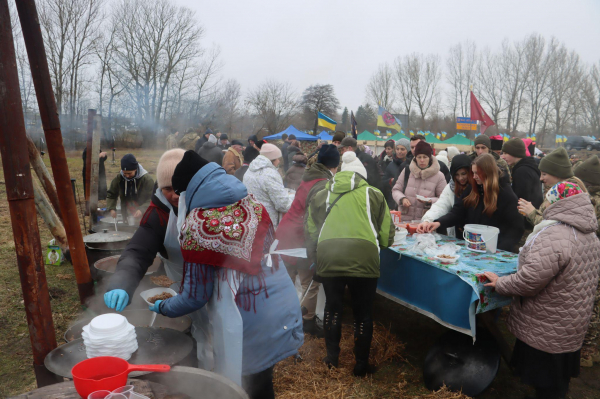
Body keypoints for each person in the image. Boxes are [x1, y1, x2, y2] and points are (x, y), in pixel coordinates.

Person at [151, 150, 303, 399]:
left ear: (188, 191)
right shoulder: (251, 203)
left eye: (178, 193)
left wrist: (161, 306)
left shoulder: (199, 225)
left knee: (246, 389)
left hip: (248, 319)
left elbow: (194, 297)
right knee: (263, 384)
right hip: (280, 305)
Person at [481, 182, 600, 399]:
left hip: (547, 323)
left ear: (557, 203)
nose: (543, 203)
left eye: (547, 199)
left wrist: (501, 284)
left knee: (546, 382)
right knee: (557, 379)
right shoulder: (589, 234)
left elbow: (529, 281)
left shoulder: (554, 234)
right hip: (571, 322)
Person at [305, 150, 394, 376]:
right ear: (362, 175)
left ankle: (331, 358)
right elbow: (386, 235)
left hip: (329, 255)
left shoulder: (321, 193)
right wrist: (375, 245)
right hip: (364, 256)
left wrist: (317, 253)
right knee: (363, 313)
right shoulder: (374, 194)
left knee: (333, 308)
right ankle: (361, 365)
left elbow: (311, 229)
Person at [277, 144, 340, 337]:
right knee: (309, 283)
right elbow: (318, 218)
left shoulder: (308, 176)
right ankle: (307, 322)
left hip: (285, 232)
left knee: (286, 280)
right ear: (335, 166)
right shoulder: (324, 183)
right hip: (300, 237)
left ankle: (283, 318)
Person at [419, 154, 524, 252]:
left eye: (477, 173)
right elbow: (457, 212)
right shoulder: (472, 189)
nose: (474, 177)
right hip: (473, 246)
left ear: (487, 172)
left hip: (494, 249)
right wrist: (438, 223)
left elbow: (516, 227)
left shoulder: (505, 194)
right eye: (473, 173)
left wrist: (499, 248)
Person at [518, 148, 588, 227]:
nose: (540, 178)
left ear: (556, 173)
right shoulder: (562, 190)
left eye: (544, 174)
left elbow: (554, 226)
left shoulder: (565, 192)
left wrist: (531, 213)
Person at [574, 156, 600, 367]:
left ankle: (588, 352)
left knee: (592, 305)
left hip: (595, 259)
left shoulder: (593, 203)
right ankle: (593, 350)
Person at [391, 141, 447, 222]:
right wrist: (402, 198)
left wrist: (430, 200)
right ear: (415, 157)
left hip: (426, 221)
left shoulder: (439, 176)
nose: (422, 160)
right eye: (419, 157)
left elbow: (444, 199)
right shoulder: (407, 171)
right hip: (404, 220)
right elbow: (396, 189)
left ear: (430, 157)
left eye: (425, 157)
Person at [419, 154, 472, 237]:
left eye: (463, 174)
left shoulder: (476, 188)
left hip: (474, 233)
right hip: (457, 234)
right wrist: (427, 220)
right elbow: (441, 206)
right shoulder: (451, 188)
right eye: (457, 175)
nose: (460, 178)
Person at [243, 143, 294, 229]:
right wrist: (294, 197)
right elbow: (283, 205)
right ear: (272, 159)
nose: (279, 161)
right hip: (267, 221)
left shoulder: (250, 169)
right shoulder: (270, 174)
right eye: (278, 158)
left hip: (251, 218)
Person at [106, 154, 154, 222]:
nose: (127, 176)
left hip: (145, 216)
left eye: (129, 173)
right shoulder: (119, 178)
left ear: (135, 169)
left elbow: (152, 199)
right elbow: (111, 194)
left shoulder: (147, 180)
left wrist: (142, 209)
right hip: (126, 216)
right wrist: (111, 208)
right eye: (124, 173)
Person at [501, 138, 544, 209]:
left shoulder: (522, 171)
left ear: (514, 153)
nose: (503, 156)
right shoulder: (528, 167)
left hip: (526, 215)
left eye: (505, 153)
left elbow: (521, 199)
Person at [382, 139, 410, 210]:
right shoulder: (391, 165)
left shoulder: (411, 165)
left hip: (408, 200)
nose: (399, 151)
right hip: (393, 201)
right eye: (397, 149)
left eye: (402, 149)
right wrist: (391, 181)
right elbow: (383, 181)